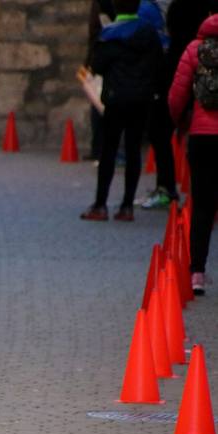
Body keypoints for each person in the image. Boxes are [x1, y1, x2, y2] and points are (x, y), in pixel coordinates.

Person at [80, 0, 162, 222]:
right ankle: (127, 206)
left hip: (115, 98)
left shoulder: (108, 34)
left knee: (109, 150)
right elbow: (158, 64)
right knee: (134, 150)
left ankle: (100, 204)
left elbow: (97, 67)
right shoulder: (148, 33)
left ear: (115, 8)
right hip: (141, 98)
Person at [168, 1, 218, 295]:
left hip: (201, 136)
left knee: (202, 205)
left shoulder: (193, 50)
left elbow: (177, 93)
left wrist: (180, 122)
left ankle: (197, 272)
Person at [137, 0, 180, 209]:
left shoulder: (148, 9)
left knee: (158, 132)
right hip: (170, 72)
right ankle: (166, 187)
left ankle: (167, 188)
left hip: (161, 76)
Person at [86, 0, 116, 162]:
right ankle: (100, 149)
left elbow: (94, 35)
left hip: (102, 61)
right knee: (99, 104)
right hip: (102, 61)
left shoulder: (102, 6)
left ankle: (100, 149)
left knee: (100, 106)